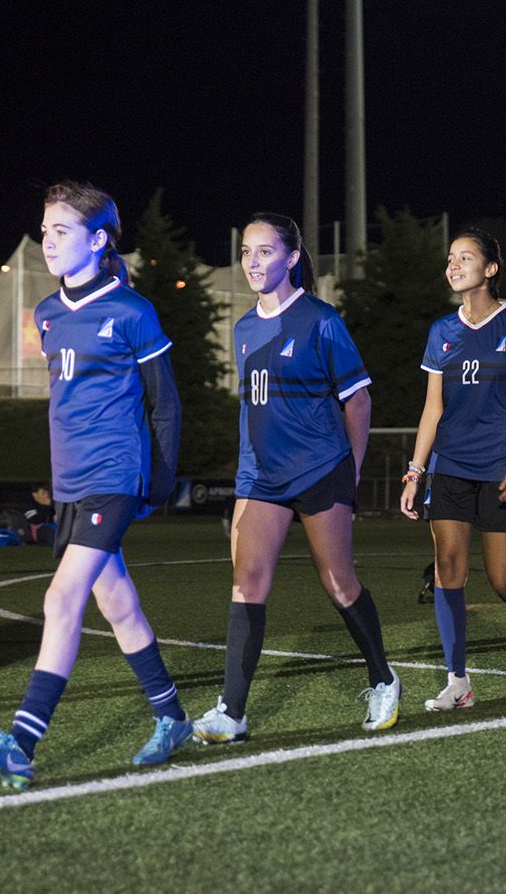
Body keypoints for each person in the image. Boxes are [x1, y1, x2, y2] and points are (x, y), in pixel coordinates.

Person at [0, 181, 189, 789]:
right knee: (116, 604)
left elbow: (165, 405)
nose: (48, 242)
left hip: (115, 479)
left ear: (97, 239)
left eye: (61, 232)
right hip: (70, 486)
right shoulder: (47, 314)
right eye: (45, 231)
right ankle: (172, 716)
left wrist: (158, 482)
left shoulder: (132, 311)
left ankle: (22, 744)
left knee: (60, 601)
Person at [193, 212, 398, 743]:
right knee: (246, 583)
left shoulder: (321, 320)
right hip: (261, 479)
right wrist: (243, 477)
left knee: (338, 583)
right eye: (245, 252)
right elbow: (252, 413)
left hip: (320, 470)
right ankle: (232, 712)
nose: (253, 262)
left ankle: (383, 678)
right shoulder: (241, 329)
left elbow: (358, 400)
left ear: (290, 257)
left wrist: (349, 471)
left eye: (264, 252)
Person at [398, 229, 506, 711]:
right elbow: (432, 409)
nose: (453, 265)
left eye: (465, 257)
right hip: (450, 467)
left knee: (502, 579)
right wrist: (416, 472)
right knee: (447, 570)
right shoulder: (440, 332)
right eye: (450, 258)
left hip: (500, 468)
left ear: (491, 269)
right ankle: (458, 681)